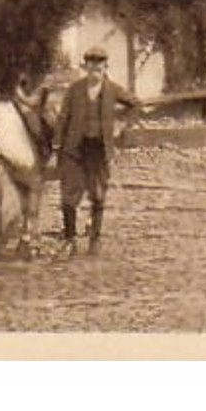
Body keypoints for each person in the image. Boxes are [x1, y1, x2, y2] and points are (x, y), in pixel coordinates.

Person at [53, 47, 143, 256]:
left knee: (98, 194)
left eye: (99, 63)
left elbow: (136, 104)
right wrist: (57, 142)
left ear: (105, 66)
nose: (94, 67)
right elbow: (63, 117)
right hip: (75, 148)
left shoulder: (112, 89)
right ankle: (70, 240)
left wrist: (123, 126)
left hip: (99, 150)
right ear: (86, 66)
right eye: (90, 63)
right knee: (69, 195)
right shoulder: (75, 89)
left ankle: (95, 239)